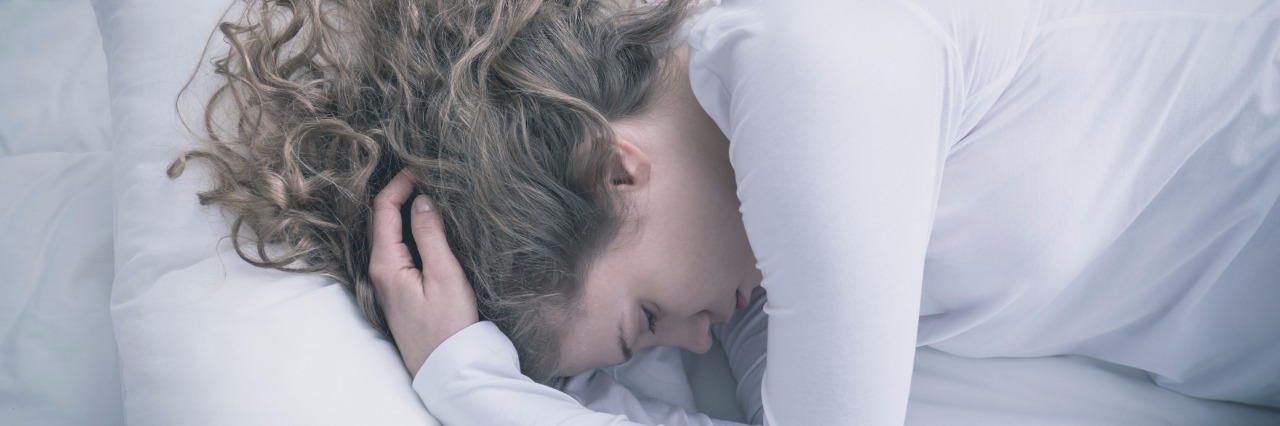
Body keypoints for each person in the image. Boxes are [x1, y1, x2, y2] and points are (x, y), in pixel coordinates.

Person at [172, 0, 1280, 423]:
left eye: (645, 318)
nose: (691, 339)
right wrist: (469, 366)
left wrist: (464, 384)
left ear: (616, 170)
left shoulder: (801, 60)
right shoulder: (757, 303)